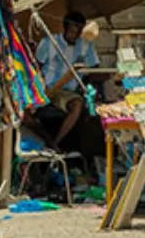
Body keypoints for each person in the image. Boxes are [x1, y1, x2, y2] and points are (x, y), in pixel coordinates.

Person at [29, 11, 105, 181]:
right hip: (46, 87)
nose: (75, 36)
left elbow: (94, 69)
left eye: (78, 32)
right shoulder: (49, 43)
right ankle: (49, 143)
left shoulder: (85, 45)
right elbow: (36, 66)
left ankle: (56, 142)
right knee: (26, 114)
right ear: (65, 28)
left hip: (66, 91)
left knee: (77, 105)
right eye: (72, 31)